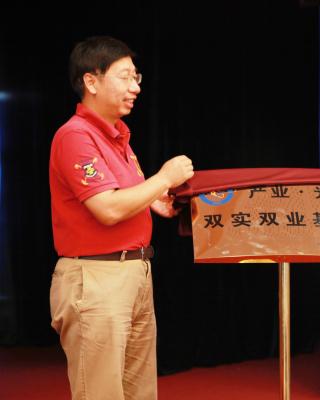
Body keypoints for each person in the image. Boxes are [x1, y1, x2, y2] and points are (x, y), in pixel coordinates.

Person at [49, 36, 194, 400]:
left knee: (139, 392)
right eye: (125, 77)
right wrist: (164, 178)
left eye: (137, 77)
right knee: (101, 393)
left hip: (134, 273)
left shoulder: (118, 139)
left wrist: (155, 201)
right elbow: (109, 209)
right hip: (97, 278)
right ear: (91, 81)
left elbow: (128, 198)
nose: (135, 87)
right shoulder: (75, 136)